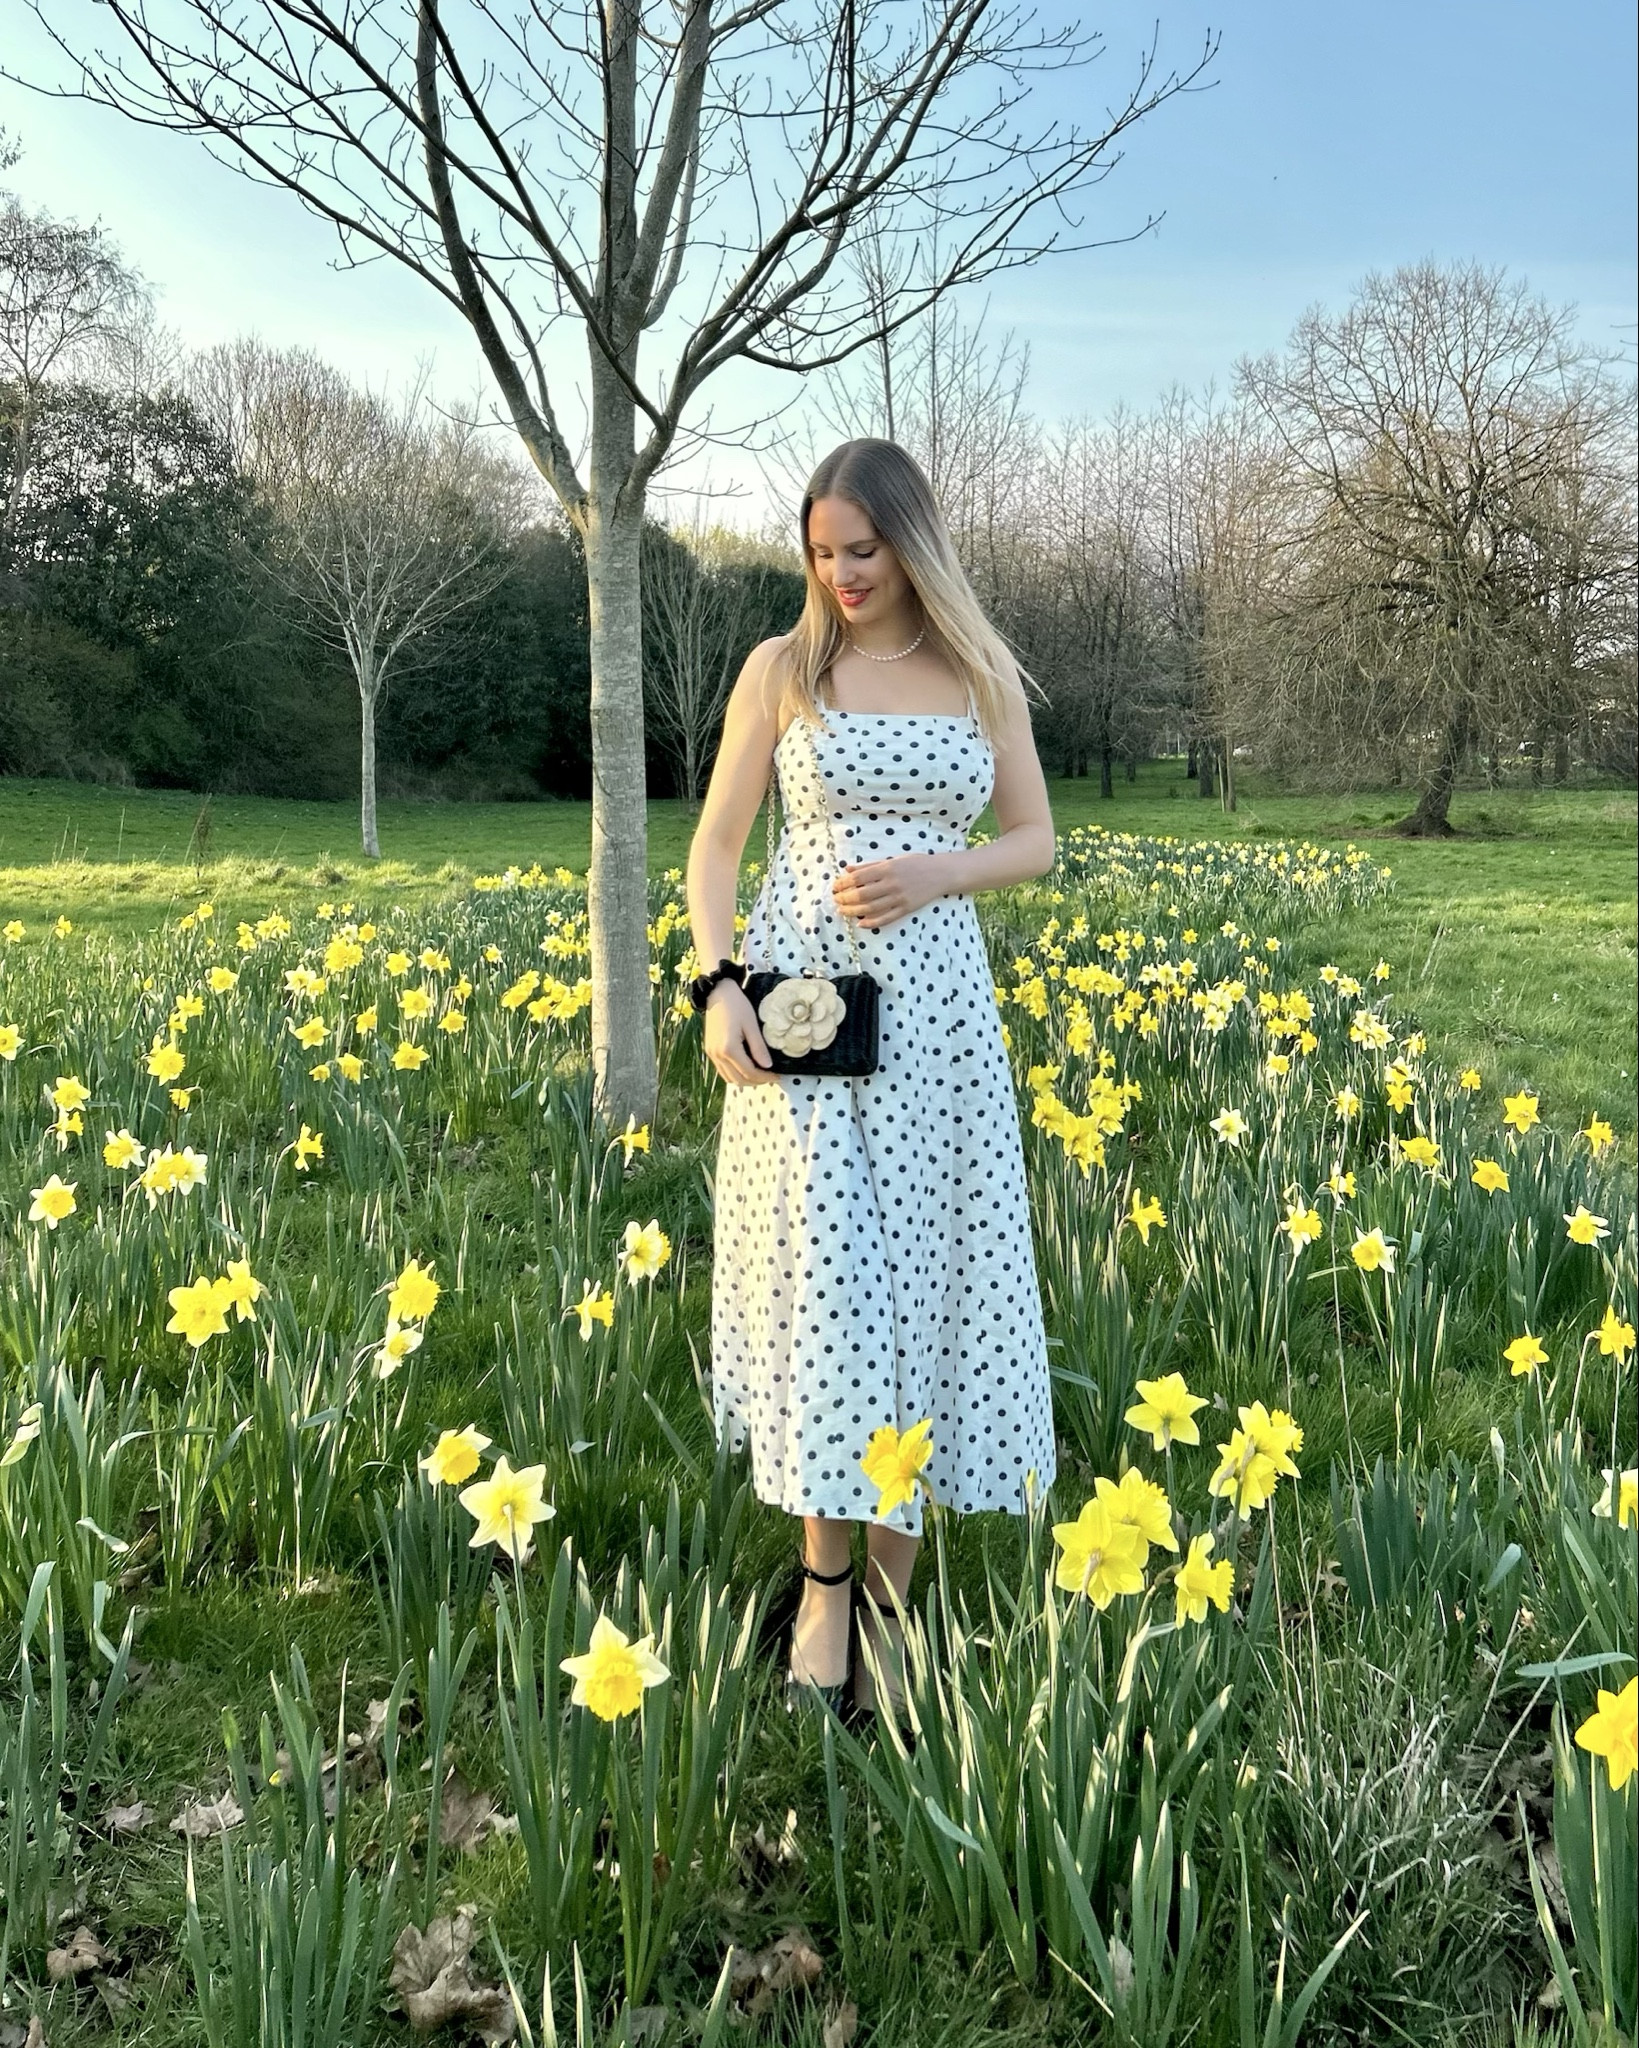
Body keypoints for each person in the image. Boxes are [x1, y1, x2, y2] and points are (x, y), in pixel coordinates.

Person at [683, 437, 1058, 1718]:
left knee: (927, 1277)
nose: (841, 573)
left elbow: (1034, 839)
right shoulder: (783, 670)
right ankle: (826, 1591)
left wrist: (939, 871)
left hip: (940, 1022)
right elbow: (719, 844)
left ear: (912, 540)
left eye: (863, 548)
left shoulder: (977, 670)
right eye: (820, 551)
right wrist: (716, 981)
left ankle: (893, 1599)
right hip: (805, 1011)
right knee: (829, 1285)